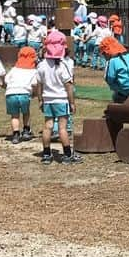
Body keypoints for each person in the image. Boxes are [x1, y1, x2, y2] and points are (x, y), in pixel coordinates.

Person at [39, 30, 79, 164]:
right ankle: (67, 154)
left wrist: (40, 99)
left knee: (47, 126)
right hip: (61, 100)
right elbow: (69, 86)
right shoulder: (62, 66)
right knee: (62, 128)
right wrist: (72, 102)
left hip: (47, 100)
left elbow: (39, 85)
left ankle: (46, 154)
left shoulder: (42, 65)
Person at [4, 46, 39, 144]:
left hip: (11, 93)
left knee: (14, 115)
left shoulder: (14, 69)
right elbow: (35, 84)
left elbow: (6, 80)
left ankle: (15, 134)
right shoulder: (33, 71)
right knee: (26, 112)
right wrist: (35, 93)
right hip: (24, 93)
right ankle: (26, 130)